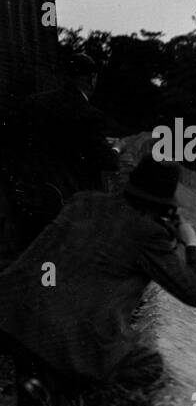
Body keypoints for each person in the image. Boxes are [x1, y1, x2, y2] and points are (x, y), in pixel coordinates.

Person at [0, 155, 196, 406]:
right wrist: (192, 243)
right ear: (163, 203)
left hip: (12, 315)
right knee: (147, 365)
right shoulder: (148, 235)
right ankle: (63, 403)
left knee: (60, 332)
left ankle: (41, 384)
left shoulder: (84, 202)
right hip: (63, 338)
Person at [1, 53, 120, 265]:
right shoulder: (90, 114)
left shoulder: (32, 103)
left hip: (29, 198)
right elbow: (106, 162)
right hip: (69, 205)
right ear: (91, 79)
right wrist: (116, 150)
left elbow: (11, 145)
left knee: (29, 262)